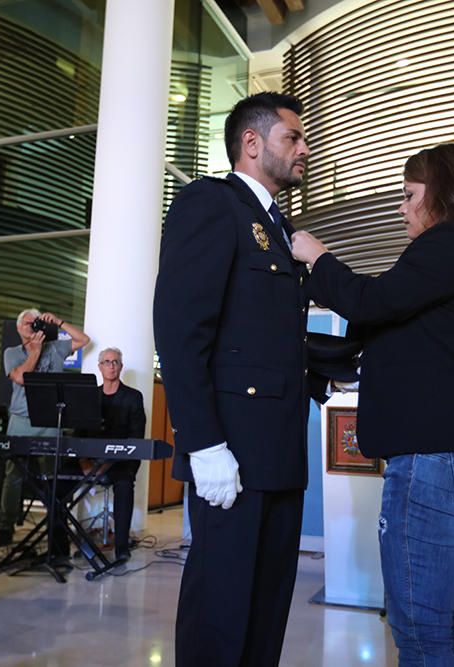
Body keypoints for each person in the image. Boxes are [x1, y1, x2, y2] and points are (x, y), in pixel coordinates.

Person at [291, 143, 454, 666]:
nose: (402, 208)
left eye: (409, 195)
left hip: (435, 459)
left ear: (440, 195)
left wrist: (319, 258)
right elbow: (395, 322)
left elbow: (374, 301)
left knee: (419, 632)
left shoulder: (447, 244)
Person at [153, 91, 312, 667]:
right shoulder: (210, 204)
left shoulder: (278, 225)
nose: (303, 148)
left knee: (268, 610)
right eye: (292, 138)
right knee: (220, 611)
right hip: (232, 452)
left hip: (278, 450)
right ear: (252, 143)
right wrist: (203, 443)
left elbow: (269, 340)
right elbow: (180, 329)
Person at [0, 309, 89, 548]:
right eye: (27, 323)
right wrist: (33, 351)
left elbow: (83, 340)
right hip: (21, 420)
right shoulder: (12, 353)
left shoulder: (55, 348)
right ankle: (6, 526)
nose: (31, 326)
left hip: (50, 420)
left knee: (52, 475)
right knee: (13, 474)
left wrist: (59, 322)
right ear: (18, 327)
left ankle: (56, 526)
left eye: (35, 322)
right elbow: (22, 378)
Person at [76, 347, 146, 561]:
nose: (111, 365)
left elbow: (135, 439)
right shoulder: (89, 397)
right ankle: (61, 545)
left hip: (121, 461)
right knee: (58, 480)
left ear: (121, 366)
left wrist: (104, 465)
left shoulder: (133, 397)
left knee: (124, 484)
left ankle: (122, 547)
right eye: (107, 362)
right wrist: (85, 463)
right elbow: (78, 434)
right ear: (100, 367)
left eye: (115, 362)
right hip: (90, 459)